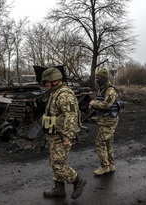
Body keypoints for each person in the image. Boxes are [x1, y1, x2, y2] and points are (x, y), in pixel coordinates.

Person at [41, 67, 87, 199]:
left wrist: (68, 137)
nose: (45, 84)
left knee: (57, 163)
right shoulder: (55, 92)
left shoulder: (64, 94)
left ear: (54, 80)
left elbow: (71, 117)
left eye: (47, 82)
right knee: (54, 161)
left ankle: (78, 181)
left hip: (62, 135)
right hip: (55, 134)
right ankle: (59, 189)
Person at [89, 68, 120, 176]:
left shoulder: (110, 90)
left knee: (100, 143)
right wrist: (93, 105)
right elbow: (99, 102)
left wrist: (93, 104)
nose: (97, 80)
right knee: (108, 143)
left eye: (99, 78)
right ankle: (111, 165)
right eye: (96, 77)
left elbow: (106, 105)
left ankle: (104, 166)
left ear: (104, 78)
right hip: (104, 120)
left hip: (109, 121)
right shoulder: (102, 89)